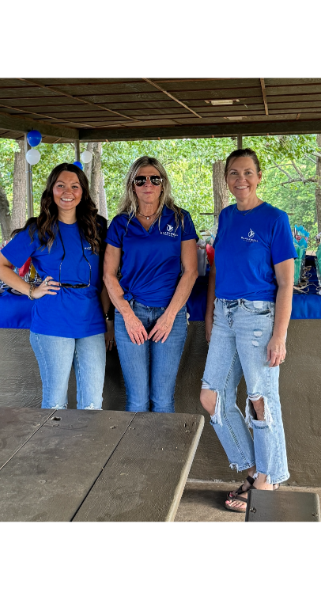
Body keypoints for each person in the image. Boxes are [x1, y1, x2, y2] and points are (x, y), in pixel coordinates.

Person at [200, 149, 297, 514]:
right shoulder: (225, 217)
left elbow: (286, 284)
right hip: (224, 315)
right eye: (233, 173)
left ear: (259, 176)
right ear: (226, 179)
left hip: (258, 318)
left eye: (247, 173)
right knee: (212, 398)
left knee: (260, 400)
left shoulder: (275, 219)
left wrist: (279, 336)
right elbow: (218, 271)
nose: (240, 179)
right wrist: (212, 318)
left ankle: (268, 479)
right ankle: (254, 469)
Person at [0, 163, 115, 411]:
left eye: (74, 186)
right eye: (61, 185)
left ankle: (86, 451)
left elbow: (106, 278)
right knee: (55, 403)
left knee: (93, 404)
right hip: (52, 321)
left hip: (91, 321)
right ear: (51, 191)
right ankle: (54, 451)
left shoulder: (98, 227)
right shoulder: (37, 229)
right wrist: (30, 290)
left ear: (83, 192)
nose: (67, 191)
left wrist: (109, 320)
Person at [104, 156, 199, 413]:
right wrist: (127, 316)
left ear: (163, 184)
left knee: (163, 399)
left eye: (154, 179)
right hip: (131, 312)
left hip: (170, 314)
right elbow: (108, 275)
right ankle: (136, 453)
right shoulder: (121, 224)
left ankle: (162, 454)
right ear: (132, 185)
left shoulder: (179, 219)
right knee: (136, 400)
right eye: (141, 179)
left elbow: (190, 272)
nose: (148, 184)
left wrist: (169, 317)